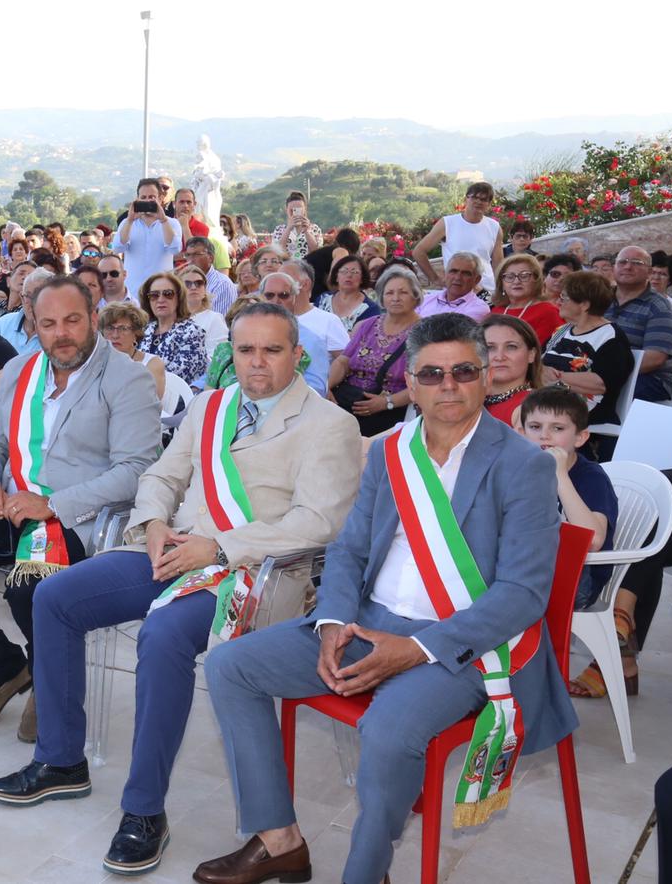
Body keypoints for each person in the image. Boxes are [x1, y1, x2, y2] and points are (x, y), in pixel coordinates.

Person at [0, 303, 361, 876]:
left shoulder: (329, 423)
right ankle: (61, 761)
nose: (256, 362)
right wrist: (155, 524)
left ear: (297, 354)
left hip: (251, 573)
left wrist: (218, 548)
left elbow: (318, 522)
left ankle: (143, 811)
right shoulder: (211, 406)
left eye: (272, 350)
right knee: (54, 596)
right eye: (245, 350)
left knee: (162, 635)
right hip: (169, 550)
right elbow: (161, 475)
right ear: (229, 354)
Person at [197, 314, 572, 884]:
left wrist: (417, 648)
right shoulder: (392, 450)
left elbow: (522, 595)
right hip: (366, 624)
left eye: (463, 371)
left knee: (388, 732)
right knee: (230, 664)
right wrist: (332, 622)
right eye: (432, 373)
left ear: (484, 376)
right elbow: (348, 549)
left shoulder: (524, 465)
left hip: (461, 645)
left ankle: (366, 873)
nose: (448, 385)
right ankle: (279, 840)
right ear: (413, 383)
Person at [0, 277, 161, 738]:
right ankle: (4, 666)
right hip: (7, 507)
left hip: (71, 517)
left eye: (72, 321)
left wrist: (52, 504)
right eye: (48, 324)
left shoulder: (127, 378)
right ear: (35, 325)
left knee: (28, 589)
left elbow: (137, 469)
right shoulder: (23, 370)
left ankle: (49, 683)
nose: (61, 333)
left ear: (93, 319)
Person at [517, 387, 617, 621]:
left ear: (580, 437)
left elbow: (592, 541)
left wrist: (560, 476)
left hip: (576, 579)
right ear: (521, 433)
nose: (544, 436)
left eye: (558, 428)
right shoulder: (518, 469)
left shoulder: (591, 477)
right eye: (535, 427)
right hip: (526, 569)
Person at [329, 266, 422, 437]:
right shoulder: (368, 324)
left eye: (403, 292)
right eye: (389, 293)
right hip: (348, 402)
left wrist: (386, 403)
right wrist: (326, 388)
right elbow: (343, 361)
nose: (395, 298)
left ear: (416, 297)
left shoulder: (424, 333)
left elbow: (423, 382)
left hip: (389, 413)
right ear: (382, 298)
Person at [541, 270, 633, 429]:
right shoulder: (562, 331)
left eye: (564, 297)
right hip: (547, 401)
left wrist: (557, 377)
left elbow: (601, 384)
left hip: (581, 412)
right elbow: (539, 362)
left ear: (584, 304)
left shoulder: (610, 337)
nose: (558, 301)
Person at [607, 244, 672, 404]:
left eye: (636, 263)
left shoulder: (659, 308)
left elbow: (654, 359)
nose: (628, 266)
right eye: (622, 262)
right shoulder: (600, 299)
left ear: (649, 272)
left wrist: (604, 371)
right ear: (614, 268)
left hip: (648, 379)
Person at [413, 182, 504, 294]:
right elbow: (418, 251)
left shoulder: (494, 227)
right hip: (456, 290)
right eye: (475, 197)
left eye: (484, 199)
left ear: (489, 204)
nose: (479, 202)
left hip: (487, 290)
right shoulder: (447, 223)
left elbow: (498, 264)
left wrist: (501, 289)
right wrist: (435, 279)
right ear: (466, 199)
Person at [139, 271, 209, 386]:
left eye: (168, 294)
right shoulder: (143, 330)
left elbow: (178, 377)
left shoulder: (192, 333)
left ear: (179, 298)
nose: (160, 299)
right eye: (154, 295)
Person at [113, 180, 181, 298]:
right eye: (143, 197)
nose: (147, 200)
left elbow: (175, 249)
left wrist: (163, 220)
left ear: (160, 199)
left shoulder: (172, 223)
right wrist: (130, 220)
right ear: (137, 199)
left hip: (162, 293)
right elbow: (118, 247)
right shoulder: (127, 222)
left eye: (152, 197)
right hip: (134, 292)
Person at [479, 313, 542, 428]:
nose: (500, 357)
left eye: (511, 347)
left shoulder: (535, 407)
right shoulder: (469, 400)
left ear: (531, 354)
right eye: (490, 348)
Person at [489, 253, 560, 346]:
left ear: (536, 280)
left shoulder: (548, 312)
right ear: (501, 283)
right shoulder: (495, 312)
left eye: (524, 276)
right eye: (510, 276)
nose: (516, 281)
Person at [0, 267, 53, 358]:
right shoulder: (3, 324)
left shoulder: (57, 334)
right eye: (28, 296)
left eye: (40, 296)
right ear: (21, 297)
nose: (33, 303)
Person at [417, 250, 491, 322]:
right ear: (445, 274)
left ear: (477, 280)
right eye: (453, 271)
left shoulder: (479, 308)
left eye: (465, 273)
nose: (458, 278)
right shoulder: (426, 300)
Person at [316, 254, 380, 334]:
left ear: (362, 279)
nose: (349, 275)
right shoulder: (323, 299)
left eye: (354, 272)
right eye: (344, 271)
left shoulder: (370, 309)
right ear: (336, 277)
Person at [177, 264, 228, 357]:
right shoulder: (172, 318)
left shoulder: (214, 318)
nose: (193, 287)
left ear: (205, 290)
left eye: (199, 283)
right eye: (187, 284)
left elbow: (216, 355)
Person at [184, 236, 235, 315]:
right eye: (188, 255)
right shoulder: (182, 281)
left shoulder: (222, 284)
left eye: (196, 255)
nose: (190, 260)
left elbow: (221, 322)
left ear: (211, 258)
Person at [270, 192, 322, 260]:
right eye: (292, 210)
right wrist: (288, 229)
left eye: (299, 209)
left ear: (304, 209)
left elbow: (317, 251)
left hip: (308, 266)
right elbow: (277, 250)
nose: (295, 212)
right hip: (286, 266)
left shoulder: (315, 228)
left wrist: (307, 231)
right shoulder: (279, 229)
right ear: (286, 210)